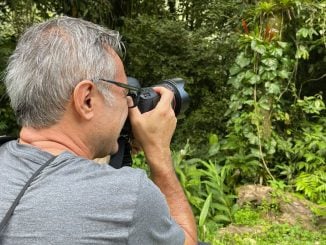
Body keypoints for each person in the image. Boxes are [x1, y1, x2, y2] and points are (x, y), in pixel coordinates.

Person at [0, 16, 197, 244]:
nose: (128, 105)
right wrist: (158, 150)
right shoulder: (127, 196)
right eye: (124, 93)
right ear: (87, 100)